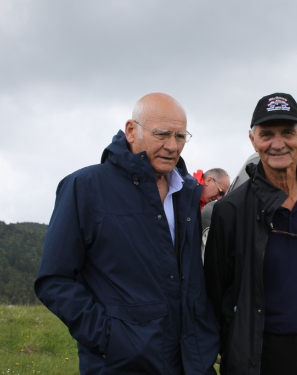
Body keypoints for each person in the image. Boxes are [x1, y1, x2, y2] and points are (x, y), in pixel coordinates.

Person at [34, 93, 219, 375]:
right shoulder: (84, 187)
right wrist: (111, 337)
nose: (172, 146)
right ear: (131, 131)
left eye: (181, 136)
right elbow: (54, 279)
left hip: (192, 364)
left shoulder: (188, 193)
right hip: (121, 364)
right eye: (162, 134)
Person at [204, 93, 297, 375]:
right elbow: (217, 294)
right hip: (263, 355)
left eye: (288, 132)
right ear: (252, 139)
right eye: (267, 134)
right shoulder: (230, 212)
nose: (278, 144)